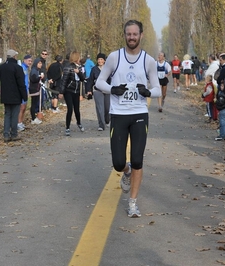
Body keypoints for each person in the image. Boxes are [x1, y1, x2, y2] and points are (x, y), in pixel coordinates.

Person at [95, 19, 161, 218]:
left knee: (138, 159)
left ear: (141, 35)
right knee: (117, 162)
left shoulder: (148, 61)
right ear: (124, 35)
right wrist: (112, 89)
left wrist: (148, 92)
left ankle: (132, 203)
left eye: (135, 34)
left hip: (139, 113)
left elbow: (158, 88)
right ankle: (126, 171)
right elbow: (99, 82)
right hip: (119, 114)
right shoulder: (115, 57)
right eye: (128, 34)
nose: (131, 37)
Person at [0, 49, 27, 142]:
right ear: (14, 56)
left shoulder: (1, 67)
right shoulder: (17, 68)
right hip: (15, 95)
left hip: (5, 94)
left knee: (7, 114)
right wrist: (24, 95)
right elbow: (21, 83)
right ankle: (14, 134)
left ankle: (6, 134)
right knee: (15, 115)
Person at [59, 51, 86, 136]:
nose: (80, 59)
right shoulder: (68, 67)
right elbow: (64, 81)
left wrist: (79, 72)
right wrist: (61, 92)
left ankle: (79, 123)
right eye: (79, 57)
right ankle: (67, 127)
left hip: (76, 91)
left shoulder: (80, 67)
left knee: (77, 109)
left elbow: (83, 79)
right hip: (68, 91)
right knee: (70, 109)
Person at [86, 53, 110, 131]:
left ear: (104, 60)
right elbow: (90, 80)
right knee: (100, 108)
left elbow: (112, 79)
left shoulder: (108, 69)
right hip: (97, 90)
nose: (100, 61)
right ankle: (101, 125)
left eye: (101, 59)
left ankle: (106, 120)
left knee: (107, 108)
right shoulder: (94, 69)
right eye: (99, 59)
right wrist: (89, 90)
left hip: (107, 90)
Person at [17, 54, 32, 131]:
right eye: (29, 61)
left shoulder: (26, 68)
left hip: (26, 90)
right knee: (21, 108)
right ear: (24, 60)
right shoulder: (21, 67)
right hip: (22, 91)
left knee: (24, 107)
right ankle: (18, 123)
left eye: (31, 61)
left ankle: (21, 122)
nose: (30, 62)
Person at [29, 58, 45, 125]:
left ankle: (34, 117)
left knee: (35, 103)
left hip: (37, 88)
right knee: (33, 103)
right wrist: (40, 77)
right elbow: (33, 79)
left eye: (41, 63)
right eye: (39, 63)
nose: (40, 65)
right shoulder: (34, 70)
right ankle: (33, 118)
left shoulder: (37, 70)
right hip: (34, 89)